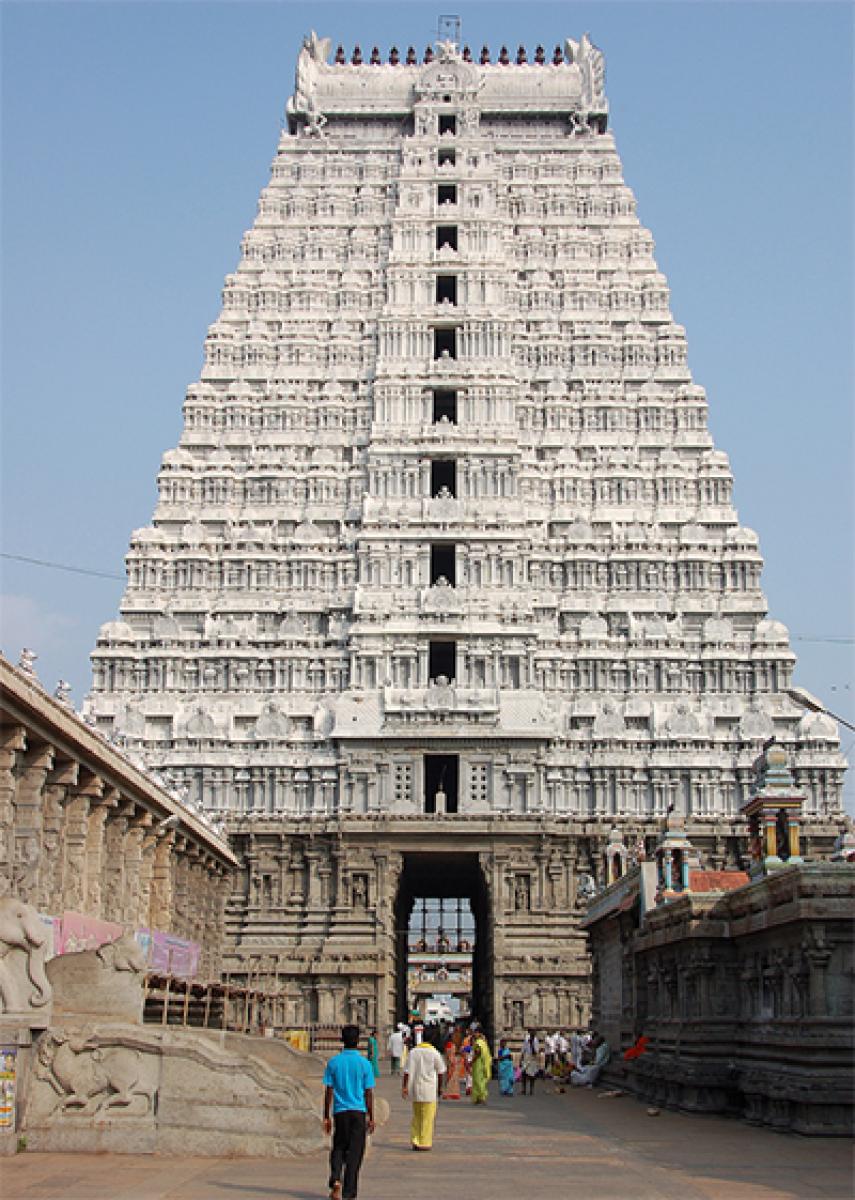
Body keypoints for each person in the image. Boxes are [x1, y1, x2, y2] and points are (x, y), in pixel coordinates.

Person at [323, 1024, 375, 1200]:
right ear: (358, 1041)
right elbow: (368, 1093)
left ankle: (336, 1177)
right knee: (355, 1153)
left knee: (338, 1146)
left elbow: (329, 1090)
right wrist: (371, 1117)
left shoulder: (334, 1063)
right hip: (358, 1112)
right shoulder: (364, 1064)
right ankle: (348, 1192)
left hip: (340, 1112)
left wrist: (326, 1116)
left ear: (341, 1040)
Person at [402, 1037, 446, 1150]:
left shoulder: (413, 1053)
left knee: (417, 1116)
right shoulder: (434, 1053)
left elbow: (406, 1072)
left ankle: (415, 1140)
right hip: (430, 1089)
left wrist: (404, 1087)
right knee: (428, 1118)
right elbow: (441, 1072)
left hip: (416, 1088)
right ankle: (424, 1142)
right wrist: (440, 1087)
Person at [470, 1027, 492, 1104]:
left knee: (478, 1081)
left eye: (476, 1032)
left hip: (478, 1063)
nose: (474, 1034)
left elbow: (478, 1052)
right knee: (479, 1081)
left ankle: (482, 1097)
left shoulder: (479, 1042)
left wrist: (472, 1060)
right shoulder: (483, 1042)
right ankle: (478, 1097)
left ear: (479, 1033)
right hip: (483, 1063)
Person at [519, 1029, 540, 1095]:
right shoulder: (526, 1038)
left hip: (533, 1058)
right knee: (524, 1073)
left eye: (534, 1032)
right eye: (531, 1031)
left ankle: (531, 1089)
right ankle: (523, 1089)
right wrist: (521, 1058)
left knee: (532, 1075)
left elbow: (535, 1052)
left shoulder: (536, 1040)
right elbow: (523, 1048)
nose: (533, 1033)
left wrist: (531, 1044)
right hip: (526, 1057)